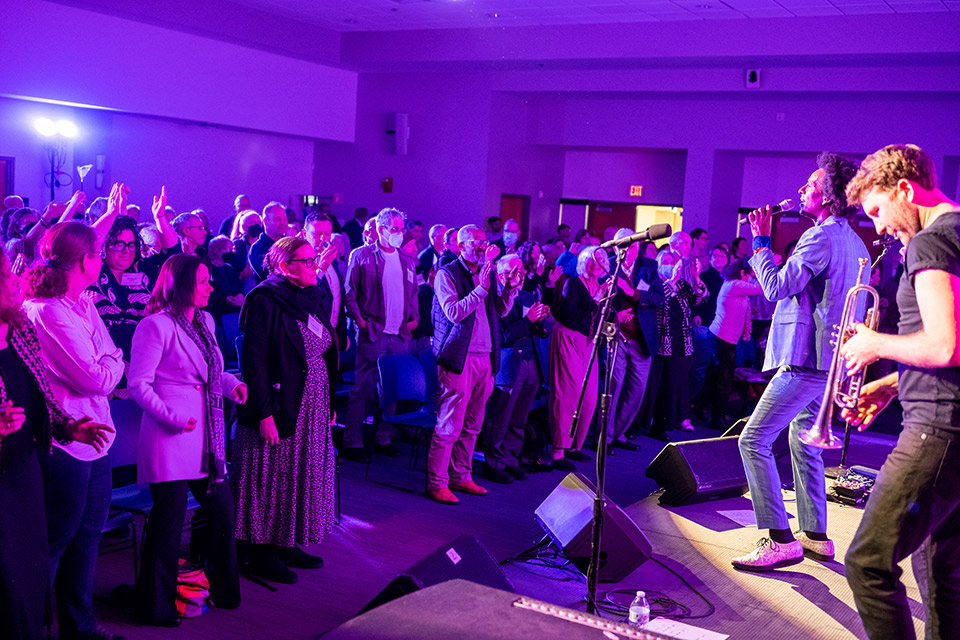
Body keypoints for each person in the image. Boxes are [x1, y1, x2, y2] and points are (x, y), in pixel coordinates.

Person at [838, 144, 960, 640]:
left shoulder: (930, 242)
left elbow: (944, 344)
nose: (879, 228)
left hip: (937, 430)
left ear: (904, 189)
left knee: (867, 563)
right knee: (945, 575)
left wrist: (871, 345)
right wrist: (892, 383)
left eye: (876, 211)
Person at [732, 152, 869, 571]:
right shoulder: (855, 240)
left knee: (752, 440)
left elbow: (774, 288)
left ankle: (778, 538)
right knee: (802, 442)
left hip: (806, 360)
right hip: (832, 363)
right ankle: (815, 535)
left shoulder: (819, 237)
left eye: (809, 186)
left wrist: (760, 241)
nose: (801, 191)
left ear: (827, 197)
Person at [0, 249, 113, 640]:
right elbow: (98, 377)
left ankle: (62, 628)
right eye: (5, 274)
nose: (16, 279)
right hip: (7, 470)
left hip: (26, 463)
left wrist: (67, 426)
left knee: (46, 554)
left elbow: (42, 395)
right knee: (17, 567)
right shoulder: (45, 313)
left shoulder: (20, 328)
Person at [21, 219, 125, 640]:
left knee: (87, 540)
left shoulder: (84, 302)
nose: (102, 260)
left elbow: (106, 360)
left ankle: (79, 628)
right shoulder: (47, 311)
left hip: (99, 435)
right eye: (100, 253)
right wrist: (113, 359)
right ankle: (29, 626)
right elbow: (96, 378)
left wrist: (109, 359)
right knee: (54, 543)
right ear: (86, 260)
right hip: (67, 440)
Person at [129, 254, 246, 626]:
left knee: (223, 510)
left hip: (206, 437)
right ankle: (156, 605)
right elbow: (138, 385)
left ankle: (218, 589)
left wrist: (232, 386)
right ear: (180, 285)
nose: (211, 287)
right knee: (168, 522)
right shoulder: (155, 325)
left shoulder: (207, 320)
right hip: (171, 434)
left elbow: (213, 371)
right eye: (203, 281)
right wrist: (172, 417)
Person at [233, 237, 338, 584]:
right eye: (307, 261)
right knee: (273, 474)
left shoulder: (311, 295)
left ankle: (288, 539)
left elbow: (328, 347)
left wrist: (330, 403)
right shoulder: (264, 299)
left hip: (314, 398)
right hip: (280, 402)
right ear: (284, 267)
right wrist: (263, 414)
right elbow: (255, 362)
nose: (315, 265)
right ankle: (262, 551)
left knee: (302, 472)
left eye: (314, 260)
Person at [428, 226, 517, 503]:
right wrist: (480, 287)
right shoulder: (447, 274)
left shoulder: (486, 271)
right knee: (449, 424)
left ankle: (461, 476)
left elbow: (498, 312)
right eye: (476, 243)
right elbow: (454, 312)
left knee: (473, 425)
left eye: (484, 242)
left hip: (485, 357)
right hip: (459, 357)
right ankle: (437, 482)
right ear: (460, 245)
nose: (482, 247)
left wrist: (510, 291)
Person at [341, 208, 419, 462]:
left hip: (400, 334)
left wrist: (414, 320)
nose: (400, 233)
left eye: (401, 228)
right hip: (373, 332)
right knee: (362, 388)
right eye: (395, 229)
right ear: (381, 229)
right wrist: (361, 321)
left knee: (392, 389)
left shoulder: (406, 259)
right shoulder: (362, 255)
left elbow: (413, 293)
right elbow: (350, 292)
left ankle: (382, 437)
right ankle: (353, 440)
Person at [549, 246, 610, 471]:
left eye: (600, 259)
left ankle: (574, 446)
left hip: (589, 342)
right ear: (583, 262)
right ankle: (558, 450)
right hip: (568, 337)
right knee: (568, 393)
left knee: (590, 396)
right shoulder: (573, 283)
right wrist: (595, 300)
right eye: (591, 260)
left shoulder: (602, 286)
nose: (595, 263)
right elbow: (569, 316)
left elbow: (600, 316)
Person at [603, 228, 663, 453]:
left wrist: (632, 292)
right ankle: (605, 438)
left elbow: (659, 299)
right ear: (619, 246)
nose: (632, 250)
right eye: (628, 246)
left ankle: (618, 433)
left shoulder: (648, 267)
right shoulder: (607, 265)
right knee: (614, 386)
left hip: (641, 338)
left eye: (636, 246)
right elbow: (596, 300)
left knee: (637, 391)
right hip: (615, 335)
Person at [646, 246, 707, 440]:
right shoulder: (654, 281)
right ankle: (647, 423)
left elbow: (700, 299)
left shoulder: (681, 284)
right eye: (667, 262)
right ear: (659, 264)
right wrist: (672, 279)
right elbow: (658, 299)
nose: (671, 266)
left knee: (673, 384)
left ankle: (664, 423)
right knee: (656, 384)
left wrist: (696, 277)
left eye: (674, 263)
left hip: (680, 340)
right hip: (659, 341)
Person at [693, 258, 761, 429]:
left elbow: (738, 304)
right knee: (725, 379)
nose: (751, 277)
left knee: (717, 376)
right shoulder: (733, 284)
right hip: (722, 337)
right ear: (743, 272)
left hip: (725, 337)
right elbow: (759, 288)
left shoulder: (735, 286)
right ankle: (717, 418)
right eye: (751, 273)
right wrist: (765, 267)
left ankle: (699, 406)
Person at [87, 216, 150, 396]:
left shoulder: (142, 272)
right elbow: (82, 244)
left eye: (131, 245)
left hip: (143, 359)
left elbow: (173, 251)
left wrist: (160, 218)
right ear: (105, 244)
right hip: (105, 362)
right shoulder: (92, 273)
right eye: (119, 244)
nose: (126, 251)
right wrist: (112, 212)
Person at [303, 213, 347, 348]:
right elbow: (304, 295)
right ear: (305, 234)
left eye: (327, 234)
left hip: (332, 331)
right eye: (317, 234)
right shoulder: (298, 260)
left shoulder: (331, 257)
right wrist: (320, 269)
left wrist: (340, 332)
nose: (323, 238)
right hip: (310, 335)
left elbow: (336, 295)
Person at [247, 201, 289, 282]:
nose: (283, 223)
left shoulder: (288, 244)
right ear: (266, 221)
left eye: (285, 219)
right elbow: (269, 276)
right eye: (278, 219)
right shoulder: (258, 248)